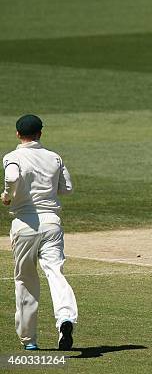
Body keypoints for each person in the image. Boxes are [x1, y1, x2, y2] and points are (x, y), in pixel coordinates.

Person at [2, 114, 77, 350]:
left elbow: (12, 176)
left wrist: (7, 195)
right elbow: (67, 188)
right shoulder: (54, 157)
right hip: (52, 224)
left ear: (17, 134)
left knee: (25, 280)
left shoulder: (12, 157)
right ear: (40, 134)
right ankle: (65, 318)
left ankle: (29, 340)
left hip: (24, 225)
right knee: (55, 272)